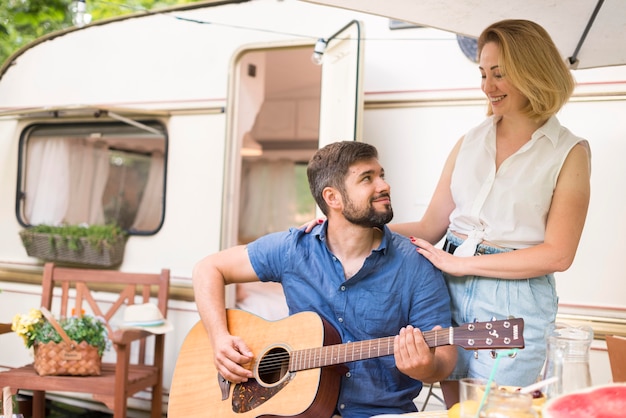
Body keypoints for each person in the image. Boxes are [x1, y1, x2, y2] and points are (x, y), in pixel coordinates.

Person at [304, 20, 591, 407]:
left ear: (533, 71)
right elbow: (430, 226)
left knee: (494, 411)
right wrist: (338, 225)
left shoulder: (568, 151)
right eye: (483, 73)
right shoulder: (470, 141)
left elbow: (559, 254)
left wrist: (464, 266)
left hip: (511, 298)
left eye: (500, 74)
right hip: (446, 285)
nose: (487, 86)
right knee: (456, 411)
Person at [192, 141, 457, 417]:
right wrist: (220, 339)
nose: (383, 186)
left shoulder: (417, 263)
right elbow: (207, 269)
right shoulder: (293, 249)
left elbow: (446, 354)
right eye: (367, 178)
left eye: (382, 175)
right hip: (296, 410)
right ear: (333, 198)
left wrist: (427, 368)